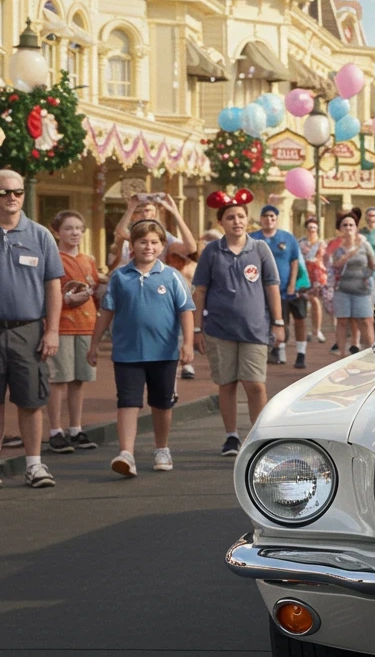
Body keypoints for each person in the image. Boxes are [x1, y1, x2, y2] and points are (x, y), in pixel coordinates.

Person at [87, 220, 195, 476]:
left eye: (154, 242)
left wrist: (188, 343)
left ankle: (161, 448)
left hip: (164, 353)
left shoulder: (172, 276)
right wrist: (94, 343)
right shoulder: (120, 277)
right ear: (132, 246)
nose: (148, 247)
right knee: (127, 402)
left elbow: (186, 312)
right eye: (142, 242)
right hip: (127, 353)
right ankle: (126, 453)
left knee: (161, 404)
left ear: (162, 246)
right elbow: (106, 312)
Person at [192, 193, 284, 457]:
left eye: (241, 216)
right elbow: (200, 291)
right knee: (227, 383)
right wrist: (197, 329)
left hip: (255, 329)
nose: (237, 221)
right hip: (219, 330)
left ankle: (258, 437)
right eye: (230, 217)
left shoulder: (260, 249)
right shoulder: (211, 251)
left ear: (248, 219)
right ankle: (231, 436)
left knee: (255, 384)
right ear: (221, 221)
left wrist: (278, 322)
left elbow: (272, 286)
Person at [0, 169, 62, 488]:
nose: (12, 198)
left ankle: (34, 465)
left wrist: (52, 331)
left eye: (18, 192)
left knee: (31, 399)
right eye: (5, 192)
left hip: (28, 330)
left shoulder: (39, 235)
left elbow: (53, 285)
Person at [47, 211, 100, 453]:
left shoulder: (88, 259)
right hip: (63, 325)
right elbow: (48, 293)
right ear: (57, 232)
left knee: (79, 379)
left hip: (87, 325)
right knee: (59, 378)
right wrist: (69, 298)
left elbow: (95, 287)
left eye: (79, 228)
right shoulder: (53, 258)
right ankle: (55, 430)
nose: (75, 232)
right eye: (69, 228)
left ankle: (75, 428)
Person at [250, 205, 309, 369]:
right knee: (278, 321)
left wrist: (292, 285)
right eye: (266, 216)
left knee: (300, 319)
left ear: (276, 219)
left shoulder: (288, 238)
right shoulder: (253, 238)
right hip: (265, 289)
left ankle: (301, 353)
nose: (269, 220)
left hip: (289, 288)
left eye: (272, 217)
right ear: (261, 219)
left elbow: (295, 262)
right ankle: (277, 351)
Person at [109, 192, 197, 271]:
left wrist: (176, 213)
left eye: (149, 210)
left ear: (155, 215)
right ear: (133, 216)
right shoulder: (130, 235)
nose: (145, 215)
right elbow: (120, 231)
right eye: (140, 211)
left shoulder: (162, 236)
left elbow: (191, 248)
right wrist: (131, 207)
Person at [332, 209, 375, 354]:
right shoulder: (335, 246)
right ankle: (341, 357)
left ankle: (371, 355)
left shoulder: (365, 244)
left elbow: (373, 262)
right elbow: (335, 264)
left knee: (365, 321)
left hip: (362, 290)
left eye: (351, 225)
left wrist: (367, 274)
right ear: (339, 229)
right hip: (342, 290)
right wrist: (351, 250)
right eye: (345, 225)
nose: (348, 228)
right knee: (342, 322)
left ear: (356, 228)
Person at [298, 217, 327, 346]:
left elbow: (326, 260)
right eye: (309, 228)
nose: (312, 230)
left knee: (315, 301)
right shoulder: (300, 243)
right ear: (306, 229)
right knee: (303, 302)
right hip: (304, 274)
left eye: (314, 228)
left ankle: (317, 330)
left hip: (317, 275)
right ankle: (307, 330)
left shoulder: (322, 244)